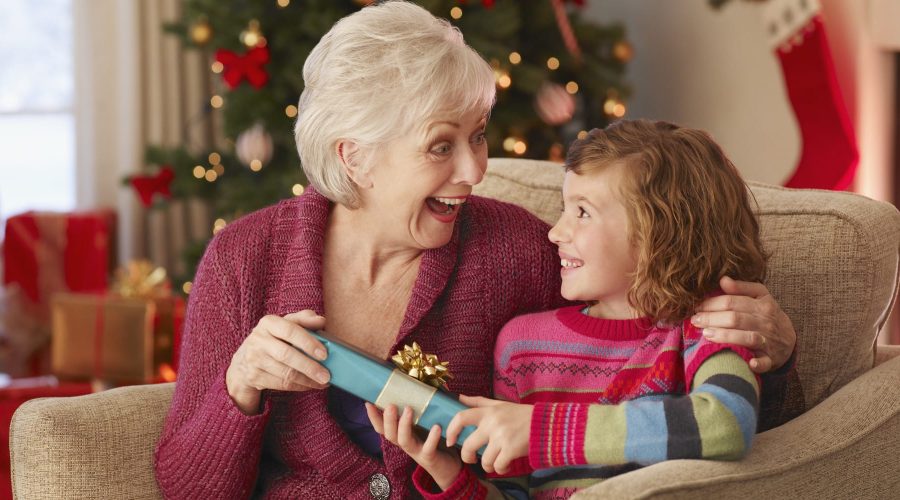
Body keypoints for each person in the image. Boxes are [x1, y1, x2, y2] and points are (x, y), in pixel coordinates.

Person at [153, 3, 798, 499]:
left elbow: (654, 352)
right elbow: (186, 488)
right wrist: (238, 390)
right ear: (356, 156)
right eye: (441, 146)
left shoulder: (518, 251)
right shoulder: (245, 259)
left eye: (479, 136)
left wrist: (774, 350)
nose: (474, 170)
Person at [370, 119, 776, 499]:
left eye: (582, 212)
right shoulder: (522, 346)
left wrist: (539, 429)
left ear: (661, 232)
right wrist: (445, 469)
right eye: (565, 209)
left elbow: (725, 424)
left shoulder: (712, 322)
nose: (556, 232)